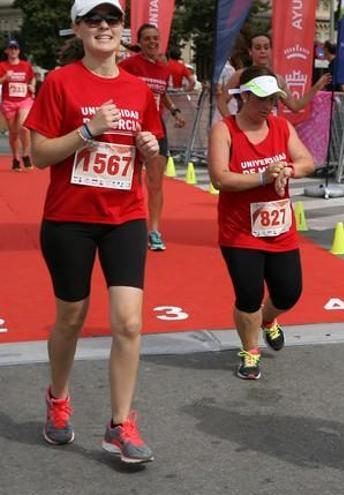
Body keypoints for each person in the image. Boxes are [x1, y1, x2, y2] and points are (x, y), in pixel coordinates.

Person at [24, 0, 162, 464]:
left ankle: (120, 424)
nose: (104, 27)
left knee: (128, 321)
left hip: (124, 216)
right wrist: (88, 130)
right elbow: (40, 154)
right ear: (77, 29)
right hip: (70, 221)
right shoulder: (60, 83)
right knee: (71, 317)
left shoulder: (138, 90)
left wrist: (149, 147)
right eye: (94, 20)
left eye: (113, 19)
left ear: (123, 29)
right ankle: (58, 399)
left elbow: (153, 153)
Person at [208, 66, 315, 380]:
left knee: (289, 292)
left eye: (274, 99)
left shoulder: (281, 127)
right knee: (249, 295)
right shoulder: (225, 130)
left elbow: (307, 161)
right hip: (239, 231)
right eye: (262, 99)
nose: (269, 106)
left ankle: (269, 320)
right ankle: (250, 351)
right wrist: (261, 177)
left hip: (280, 229)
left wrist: (288, 171)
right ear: (244, 97)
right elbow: (219, 178)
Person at [119, 23, 186, 252]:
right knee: (132, 181)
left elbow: (162, 93)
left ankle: (154, 230)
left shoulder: (163, 68)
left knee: (155, 183)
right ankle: (130, 226)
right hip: (132, 130)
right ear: (140, 41)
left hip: (157, 130)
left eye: (156, 39)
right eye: (147, 39)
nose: (152, 43)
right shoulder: (128, 65)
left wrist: (175, 112)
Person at [218, 33, 331, 118]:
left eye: (266, 47)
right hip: (246, 131)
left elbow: (295, 106)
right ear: (250, 52)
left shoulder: (278, 80)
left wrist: (317, 87)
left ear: (271, 50)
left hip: (269, 132)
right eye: (258, 48)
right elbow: (222, 101)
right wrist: (232, 125)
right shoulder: (240, 75)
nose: (262, 51)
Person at [0, 39, 36, 171]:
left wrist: (32, 85)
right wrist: (5, 78)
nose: (13, 50)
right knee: (13, 133)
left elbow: (32, 77)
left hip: (24, 100)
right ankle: (16, 158)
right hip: (8, 102)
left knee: (24, 127)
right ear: (7, 51)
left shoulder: (26, 65)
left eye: (15, 48)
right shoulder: (2, 66)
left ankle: (26, 154)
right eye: (11, 48)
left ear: (19, 51)